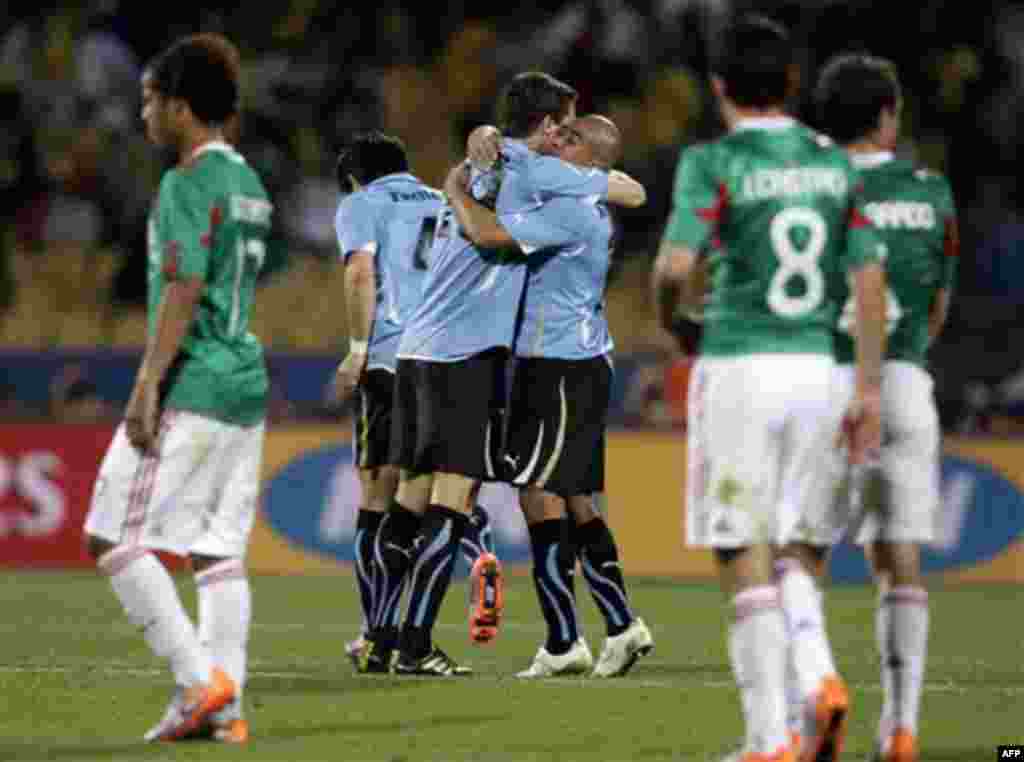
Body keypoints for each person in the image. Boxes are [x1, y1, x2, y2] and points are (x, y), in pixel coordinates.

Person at [652, 16, 887, 762]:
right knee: (797, 548)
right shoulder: (836, 165)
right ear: (791, 84)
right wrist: (870, 389)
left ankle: (769, 740)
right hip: (821, 369)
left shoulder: (713, 161)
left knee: (740, 547)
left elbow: (670, 268)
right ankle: (814, 679)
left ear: (718, 87)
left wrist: (677, 322)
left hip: (741, 365)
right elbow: (870, 281)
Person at [372, 71, 644, 676]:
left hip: (421, 345)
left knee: (413, 496)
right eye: (565, 128)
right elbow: (494, 229)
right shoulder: (529, 175)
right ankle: (415, 645)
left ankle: (381, 636)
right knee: (456, 494)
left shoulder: (487, 164)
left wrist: (459, 172)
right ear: (548, 129)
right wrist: (605, 185)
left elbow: (608, 184)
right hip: (462, 354)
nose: (567, 137)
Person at [83, 33, 270, 744]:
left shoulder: (186, 183)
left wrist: (146, 384)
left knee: (110, 535)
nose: (143, 115)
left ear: (182, 107)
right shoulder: (249, 183)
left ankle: (199, 682)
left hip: (196, 380)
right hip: (246, 382)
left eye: (149, 100)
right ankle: (226, 710)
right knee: (218, 552)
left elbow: (185, 284)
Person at [452, 115, 654, 678]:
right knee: (574, 499)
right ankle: (615, 625)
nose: (557, 141)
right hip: (569, 359)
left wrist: (458, 187)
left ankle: (572, 638)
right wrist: (491, 141)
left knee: (540, 494)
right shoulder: (570, 197)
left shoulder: (570, 211)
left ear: (589, 158)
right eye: (557, 133)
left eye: (570, 138)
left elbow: (489, 233)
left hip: (561, 363)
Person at [810, 54, 958, 762]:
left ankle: (811, 701)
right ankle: (900, 729)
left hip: (822, 379)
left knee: (796, 554)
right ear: (889, 115)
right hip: (902, 379)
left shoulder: (812, 187)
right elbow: (936, 307)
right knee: (899, 560)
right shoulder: (931, 192)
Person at [329, 130, 497, 671]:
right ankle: (470, 548)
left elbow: (359, 270)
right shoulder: (443, 202)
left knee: (378, 498)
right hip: (441, 358)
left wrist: (356, 349)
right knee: (424, 491)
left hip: (385, 358)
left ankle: (376, 633)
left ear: (355, 176)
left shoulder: (362, 202)